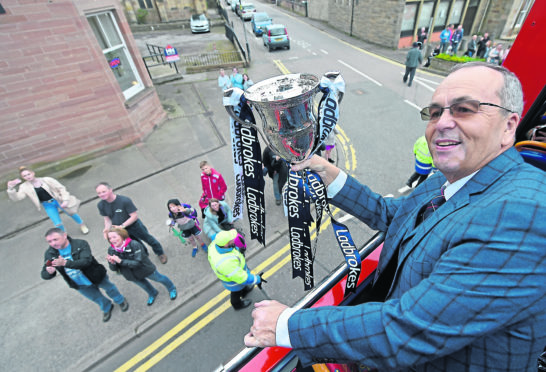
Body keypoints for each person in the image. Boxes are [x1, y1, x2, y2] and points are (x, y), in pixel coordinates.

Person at [244, 62, 546, 371]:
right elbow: (398, 218)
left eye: (465, 109)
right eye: (435, 112)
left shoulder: (524, 212)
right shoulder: (450, 178)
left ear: (509, 126)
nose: (441, 123)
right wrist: (332, 175)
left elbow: (411, 329)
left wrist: (286, 327)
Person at [41, 228, 128, 322]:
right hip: (78, 283)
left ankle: (120, 300)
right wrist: (50, 272)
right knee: (95, 297)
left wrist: (65, 263)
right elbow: (44, 273)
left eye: (55, 239)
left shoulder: (80, 244)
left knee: (109, 288)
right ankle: (107, 307)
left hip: (95, 275)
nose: (53, 243)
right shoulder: (50, 254)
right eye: (49, 241)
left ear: (64, 235)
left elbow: (85, 261)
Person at [96, 182, 168, 264]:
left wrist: (121, 226)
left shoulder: (124, 201)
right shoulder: (101, 205)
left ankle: (160, 253)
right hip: (121, 230)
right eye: (99, 193)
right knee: (135, 244)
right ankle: (144, 254)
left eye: (103, 191)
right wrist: (106, 230)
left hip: (134, 226)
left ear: (110, 190)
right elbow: (107, 219)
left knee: (149, 239)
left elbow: (134, 216)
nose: (101, 194)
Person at [7, 166, 89, 234]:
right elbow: (18, 198)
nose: (28, 176)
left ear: (33, 173)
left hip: (57, 200)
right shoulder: (24, 187)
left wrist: (65, 200)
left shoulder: (46, 180)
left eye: (29, 174)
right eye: (25, 176)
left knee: (71, 213)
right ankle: (63, 235)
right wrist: (10, 189)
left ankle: (82, 225)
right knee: (57, 223)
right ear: (23, 178)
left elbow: (61, 188)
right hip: (47, 205)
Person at [106, 228, 177, 306]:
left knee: (159, 278)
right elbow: (114, 269)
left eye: (114, 237)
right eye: (110, 238)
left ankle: (171, 288)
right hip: (131, 275)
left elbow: (137, 262)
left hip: (145, 269)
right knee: (144, 285)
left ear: (122, 235)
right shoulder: (111, 250)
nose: (112, 240)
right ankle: (152, 293)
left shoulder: (134, 244)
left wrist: (121, 261)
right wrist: (112, 263)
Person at [207, 229, 261, 310]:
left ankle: (245, 291)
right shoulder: (226, 263)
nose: (234, 240)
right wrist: (256, 279)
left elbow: (216, 237)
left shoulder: (215, 244)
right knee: (236, 293)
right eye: (231, 240)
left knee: (242, 287)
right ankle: (237, 305)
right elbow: (241, 278)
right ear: (225, 244)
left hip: (235, 275)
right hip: (234, 283)